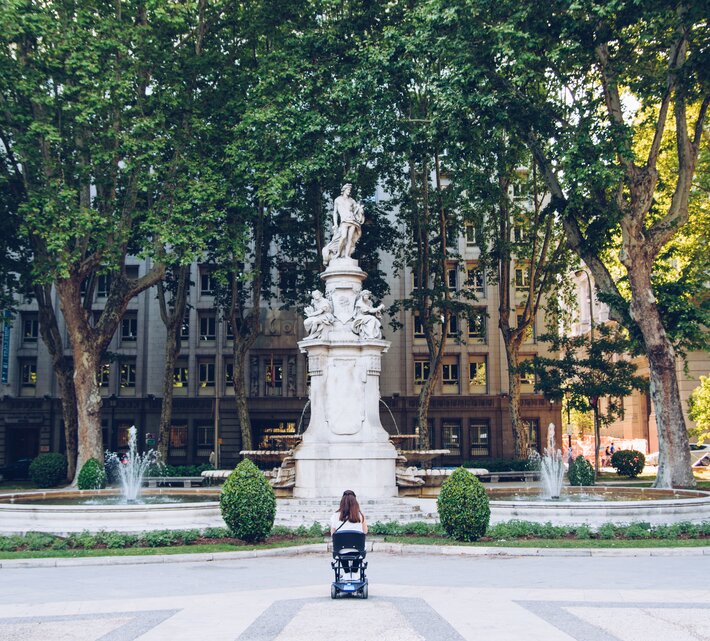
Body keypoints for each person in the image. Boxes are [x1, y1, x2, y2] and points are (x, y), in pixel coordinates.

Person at [333, 183, 365, 259]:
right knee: (343, 236)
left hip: (352, 220)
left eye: (350, 190)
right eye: (348, 189)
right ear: (344, 190)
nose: (349, 191)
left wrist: (360, 209)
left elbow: (356, 210)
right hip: (344, 221)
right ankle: (338, 253)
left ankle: (347, 255)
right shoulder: (338, 200)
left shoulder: (352, 200)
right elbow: (335, 213)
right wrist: (335, 223)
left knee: (350, 239)